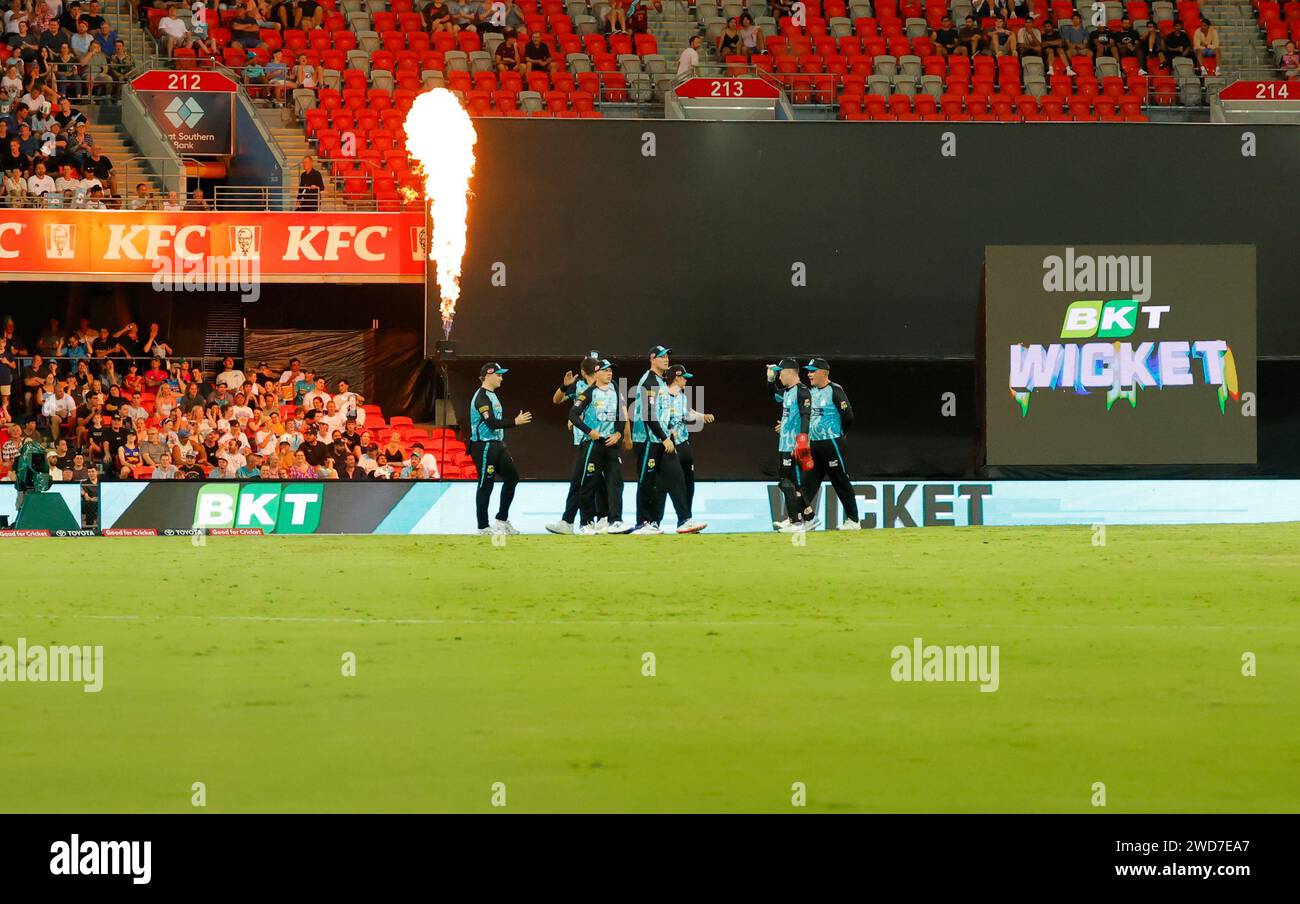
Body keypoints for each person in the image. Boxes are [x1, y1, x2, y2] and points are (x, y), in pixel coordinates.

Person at [566, 358, 632, 535]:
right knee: (589, 483)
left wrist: (619, 434)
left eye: (611, 370)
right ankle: (585, 522)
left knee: (616, 482)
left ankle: (615, 521)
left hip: (611, 444)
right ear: (596, 374)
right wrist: (590, 431)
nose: (609, 373)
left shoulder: (614, 391)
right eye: (605, 370)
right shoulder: (588, 393)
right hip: (593, 444)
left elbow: (620, 414)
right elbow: (573, 415)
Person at [467, 362, 530, 535]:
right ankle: (483, 527)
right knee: (485, 484)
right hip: (484, 445)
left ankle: (501, 520)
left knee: (512, 478)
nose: (502, 378)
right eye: (499, 375)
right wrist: (514, 422)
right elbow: (491, 423)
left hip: (496, 444)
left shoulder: (492, 395)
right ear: (488, 375)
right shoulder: (481, 398)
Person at [545, 354, 605, 535]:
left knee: (595, 481)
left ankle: (594, 519)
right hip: (583, 440)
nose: (597, 373)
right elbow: (556, 400)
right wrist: (564, 386)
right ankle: (580, 521)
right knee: (584, 480)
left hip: (600, 439)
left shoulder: (605, 388)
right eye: (594, 370)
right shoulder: (578, 386)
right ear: (584, 372)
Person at [647, 364, 709, 534]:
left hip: (683, 443)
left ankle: (685, 519)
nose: (686, 380)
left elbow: (686, 413)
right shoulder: (662, 395)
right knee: (669, 483)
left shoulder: (682, 396)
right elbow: (659, 419)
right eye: (684, 377)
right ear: (676, 377)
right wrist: (668, 436)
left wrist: (701, 416)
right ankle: (665, 520)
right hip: (669, 445)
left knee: (688, 483)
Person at [800, 357, 860, 530]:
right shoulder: (811, 392)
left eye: (813, 371)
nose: (809, 374)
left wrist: (840, 434)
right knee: (807, 482)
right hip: (814, 443)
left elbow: (848, 416)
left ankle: (853, 520)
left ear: (824, 373)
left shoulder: (834, 390)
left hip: (831, 443)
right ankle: (802, 519)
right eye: (808, 371)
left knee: (839, 479)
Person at [627, 344, 670, 532]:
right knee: (647, 481)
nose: (666, 359)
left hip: (658, 439)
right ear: (652, 359)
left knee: (660, 483)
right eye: (662, 356)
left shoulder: (661, 381)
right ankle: (642, 521)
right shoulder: (649, 381)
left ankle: (654, 522)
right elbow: (648, 414)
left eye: (667, 356)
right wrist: (663, 437)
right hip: (646, 439)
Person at [767, 357, 813, 532]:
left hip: (793, 445)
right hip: (784, 443)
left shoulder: (802, 392)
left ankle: (796, 521)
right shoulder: (788, 392)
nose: (779, 378)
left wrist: (801, 441)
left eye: (780, 374)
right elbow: (773, 395)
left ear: (788, 373)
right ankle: (807, 516)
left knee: (788, 482)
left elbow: (805, 416)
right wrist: (770, 379)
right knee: (790, 483)